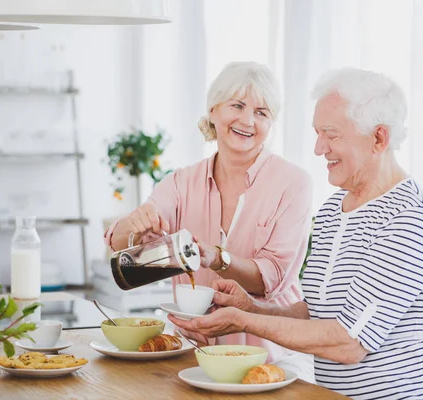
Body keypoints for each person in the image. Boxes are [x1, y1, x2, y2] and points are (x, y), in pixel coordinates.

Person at [170, 67, 423, 399]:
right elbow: (316, 312)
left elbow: (349, 343)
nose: (318, 148)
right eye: (317, 133)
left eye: (331, 134)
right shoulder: (332, 211)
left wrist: (244, 322)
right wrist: (252, 308)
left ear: (379, 138)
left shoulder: (407, 221)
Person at [104, 62, 315, 383]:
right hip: (194, 353)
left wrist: (217, 259)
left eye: (262, 112)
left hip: (272, 359)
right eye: (238, 106)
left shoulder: (293, 182)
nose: (247, 120)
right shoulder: (180, 182)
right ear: (213, 110)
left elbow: (269, 280)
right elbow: (122, 251)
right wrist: (134, 224)